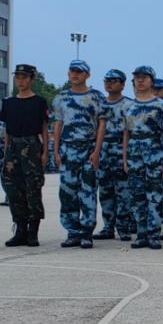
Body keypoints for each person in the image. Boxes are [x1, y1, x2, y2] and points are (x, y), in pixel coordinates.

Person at [53, 59, 104, 248]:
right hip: (68, 150)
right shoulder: (61, 98)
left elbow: (101, 125)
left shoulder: (97, 97)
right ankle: (72, 232)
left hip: (88, 149)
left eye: (79, 72)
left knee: (88, 192)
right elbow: (58, 125)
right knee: (67, 193)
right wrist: (56, 151)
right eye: (72, 71)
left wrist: (97, 151)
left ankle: (86, 232)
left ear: (87, 75)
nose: (74, 75)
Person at [123, 66, 163, 250]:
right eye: (137, 78)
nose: (140, 80)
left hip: (154, 153)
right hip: (134, 153)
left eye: (144, 77)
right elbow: (126, 134)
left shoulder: (160, 105)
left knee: (154, 195)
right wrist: (125, 159)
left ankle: (154, 234)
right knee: (137, 195)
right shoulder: (128, 106)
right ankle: (141, 234)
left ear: (152, 81)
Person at [0, 64, 51, 247]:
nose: (20, 81)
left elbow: (44, 128)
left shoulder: (39, 102)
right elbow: (7, 130)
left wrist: (45, 152)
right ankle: (20, 230)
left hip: (32, 146)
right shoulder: (9, 103)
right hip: (14, 147)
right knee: (13, 189)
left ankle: (33, 232)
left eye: (24, 77)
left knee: (33, 189)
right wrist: (6, 152)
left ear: (31, 79)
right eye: (18, 77)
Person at [94, 69, 132, 241]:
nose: (109, 84)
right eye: (107, 81)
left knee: (123, 192)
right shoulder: (100, 104)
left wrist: (126, 157)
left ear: (122, 84)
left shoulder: (129, 104)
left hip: (121, 148)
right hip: (104, 150)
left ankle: (123, 227)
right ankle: (108, 227)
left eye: (114, 81)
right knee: (105, 191)